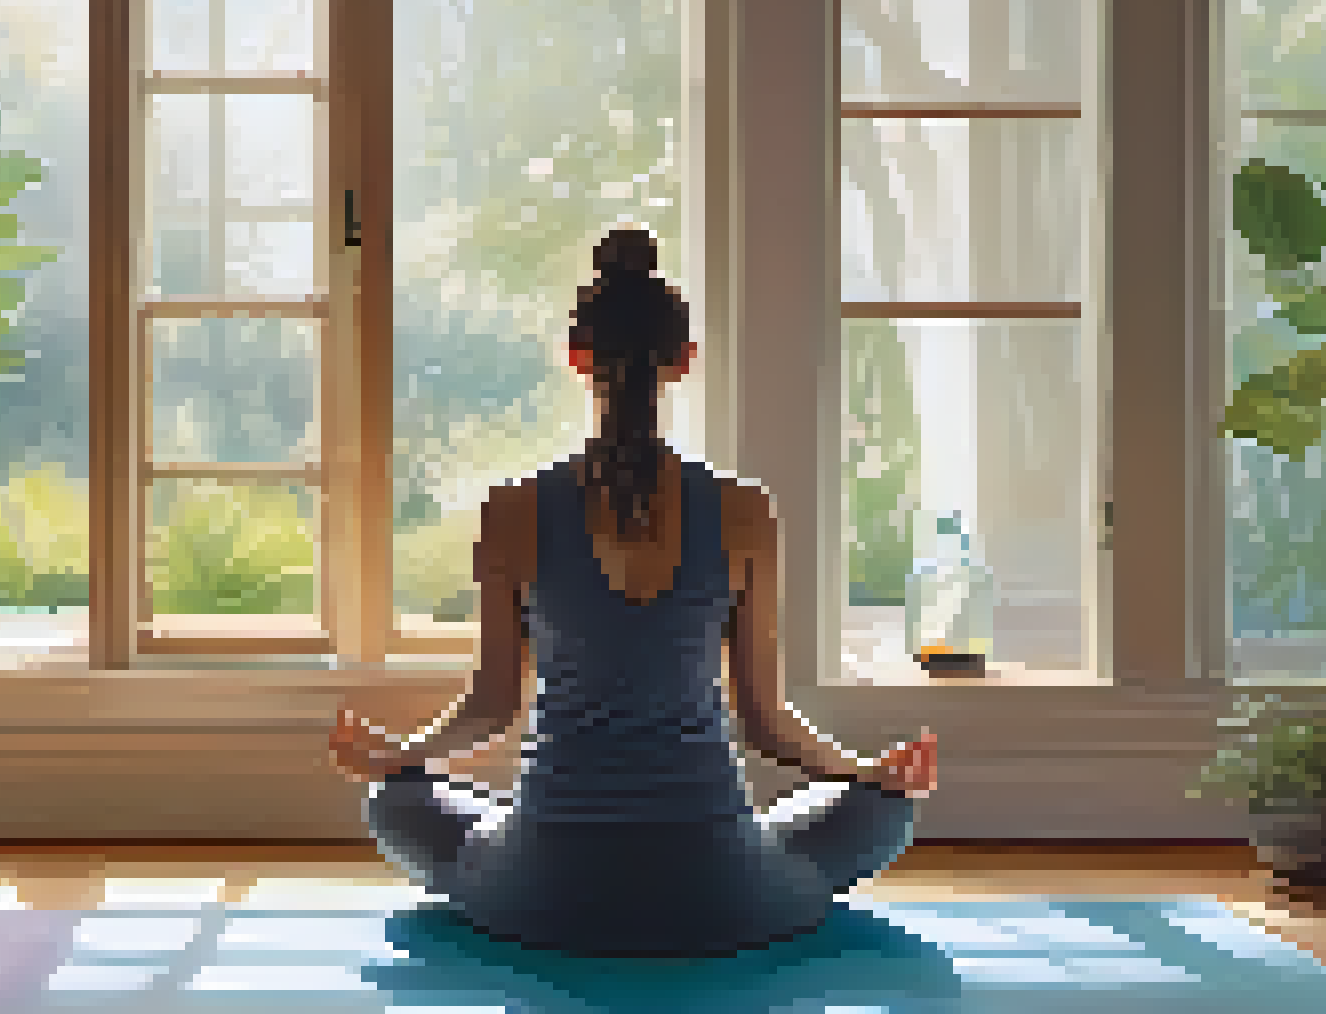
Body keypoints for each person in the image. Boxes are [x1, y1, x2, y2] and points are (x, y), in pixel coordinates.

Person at [329, 224, 938, 957]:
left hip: (547, 889)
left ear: (576, 360)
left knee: (394, 801)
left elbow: (489, 707)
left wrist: (399, 755)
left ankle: (501, 825)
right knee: (882, 813)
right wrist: (867, 773)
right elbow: (767, 723)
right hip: (715, 891)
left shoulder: (513, 509)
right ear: (683, 362)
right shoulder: (746, 511)